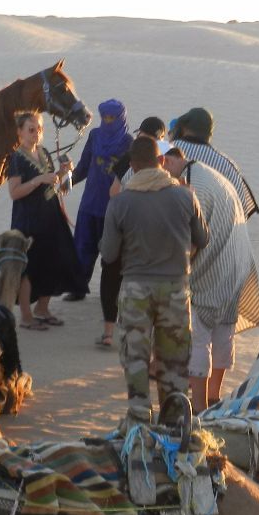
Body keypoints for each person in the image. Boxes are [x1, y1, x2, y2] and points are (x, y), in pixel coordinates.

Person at [100, 136, 209, 425]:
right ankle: (173, 420)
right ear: (161, 162)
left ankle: (139, 416)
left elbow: (108, 253)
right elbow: (203, 239)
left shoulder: (120, 202)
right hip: (175, 288)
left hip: (135, 289)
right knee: (174, 360)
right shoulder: (186, 196)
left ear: (133, 167)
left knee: (135, 357)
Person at [161, 147, 259, 410]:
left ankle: (200, 406)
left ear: (168, 161)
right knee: (223, 332)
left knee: (198, 335)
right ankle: (215, 395)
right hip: (236, 267)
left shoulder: (196, 185)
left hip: (213, 272)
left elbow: (193, 241)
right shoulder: (207, 173)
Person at [6, 112, 80, 330]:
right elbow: (14, 192)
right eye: (30, 129)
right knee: (28, 267)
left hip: (50, 214)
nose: (35, 133)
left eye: (38, 129)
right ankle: (27, 316)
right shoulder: (17, 159)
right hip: (28, 218)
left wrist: (62, 173)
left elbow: (52, 182)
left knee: (52, 260)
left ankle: (43, 308)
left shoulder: (44, 152)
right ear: (19, 132)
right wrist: (38, 180)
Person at [98, 116, 167, 348]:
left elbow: (114, 192)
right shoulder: (168, 159)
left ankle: (109, 332)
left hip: (125, 227)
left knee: (111, 274)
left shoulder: (132, 157)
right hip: (154, 236)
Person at [67, 99, 132, 302]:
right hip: (89, 203)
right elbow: (85, 164)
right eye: (105, 117)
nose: (108, 120)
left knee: (111, 254)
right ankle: (78, 288)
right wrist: (68, 182)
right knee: (82, 248)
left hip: (113, 208)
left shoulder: (129, 142)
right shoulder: (95, 135)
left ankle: (110, 295)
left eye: (112, 117)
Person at [170, 106, 259, 220]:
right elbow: (243, 209)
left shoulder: (167, 150)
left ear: (184, 128)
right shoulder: (226, 164)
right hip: (214, 231)